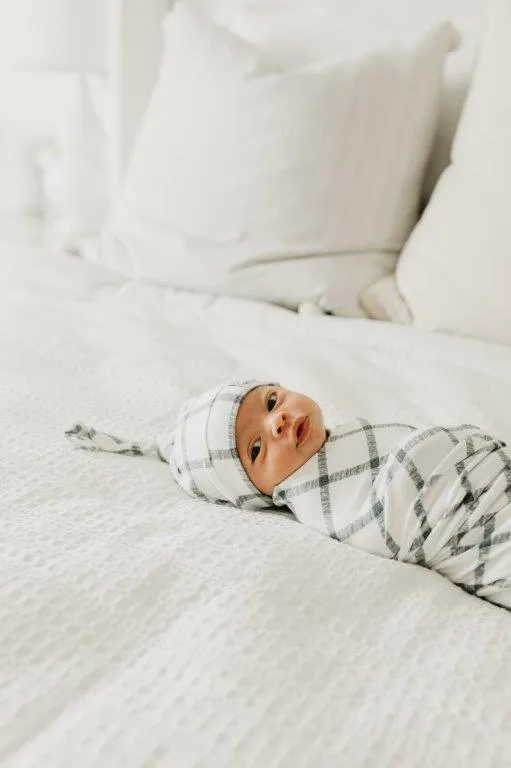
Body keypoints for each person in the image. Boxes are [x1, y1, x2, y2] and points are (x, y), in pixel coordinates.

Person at [66, 379, 511, 611]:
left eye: (272, 401)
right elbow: (387, 523)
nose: (277, 422)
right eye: (256, 449)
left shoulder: (343, 439)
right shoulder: (324, 499)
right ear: (260, 494)